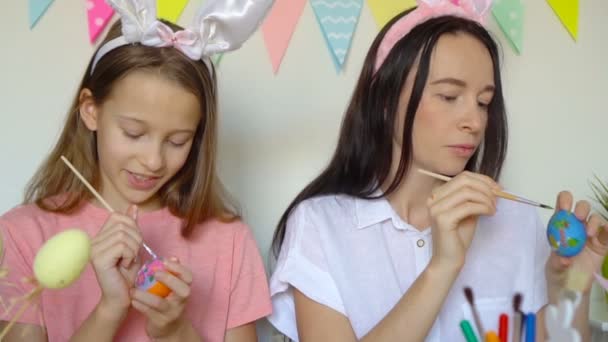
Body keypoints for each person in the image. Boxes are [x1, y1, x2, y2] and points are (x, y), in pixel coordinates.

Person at [267, 0, 608, 341]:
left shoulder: (515, 219)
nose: (474, 122)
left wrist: (572, 286)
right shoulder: (319, 227)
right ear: (385, 101)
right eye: (448, 96)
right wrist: (443, 266)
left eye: (484, 102)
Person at [0, 0, 274, 341]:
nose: (154, 161)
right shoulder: (22, 235)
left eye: (177, 141)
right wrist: (110, 309)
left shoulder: (229, 240)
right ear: (90, 111)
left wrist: (176, 331)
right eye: (134, 133)